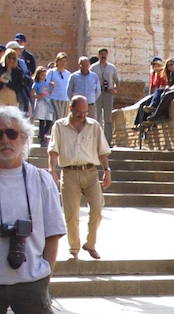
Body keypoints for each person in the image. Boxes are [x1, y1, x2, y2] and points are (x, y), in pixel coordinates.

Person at [0, 106, 66, 314]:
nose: (5, 140)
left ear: (25, 139)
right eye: (0, 134)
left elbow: (55, 232)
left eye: (12, 133)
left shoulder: (39, 179)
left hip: (31, 282)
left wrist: (45, 274)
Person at [48, 96, 111, 259]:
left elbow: (102, 151)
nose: (82, 116)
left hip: (90, 172)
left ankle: (90, 244)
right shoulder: (59, 126)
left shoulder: (94, 126)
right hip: (69, 173)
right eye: (78, 113)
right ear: (70, 109)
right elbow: (53, 150)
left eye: (85, 112)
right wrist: (52, 170)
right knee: (71, 213)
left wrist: (107, 170)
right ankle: (74, 247)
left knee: (97, 208)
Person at [92, 48, 120, 145]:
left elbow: (117, 81)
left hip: (108, 94)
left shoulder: (112, 67)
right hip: (97, 94)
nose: (103, 56)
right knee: (97, 117)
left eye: (105, 54)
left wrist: (114, 89)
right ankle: (96, 141)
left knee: (108, 118)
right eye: (102, 54)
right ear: (99, 55)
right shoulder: (93, 68)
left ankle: (108, 141)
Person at [31, 67, 54, 147]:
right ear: (38, 75)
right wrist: (38, 96)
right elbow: (32, 95)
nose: (44, 76)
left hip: (47, 103)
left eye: (45, 75)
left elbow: (50, 93)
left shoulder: (47, 83)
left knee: (49, 121)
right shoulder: (36, 84)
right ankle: (42, 139)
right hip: (40, 103)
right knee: (42, 121)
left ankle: (42, 134)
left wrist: (52, 87)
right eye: (42, 75)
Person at [46, 52, 71, 121]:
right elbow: (45, 83)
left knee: (64, 120)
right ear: (57, 61)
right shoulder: (51, 72)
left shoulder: (68, 73)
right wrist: (50, 84)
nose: (63, 63)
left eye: (64, 61)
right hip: (54, 98)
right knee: (57, 119)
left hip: (65, 99)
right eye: (61, 61)